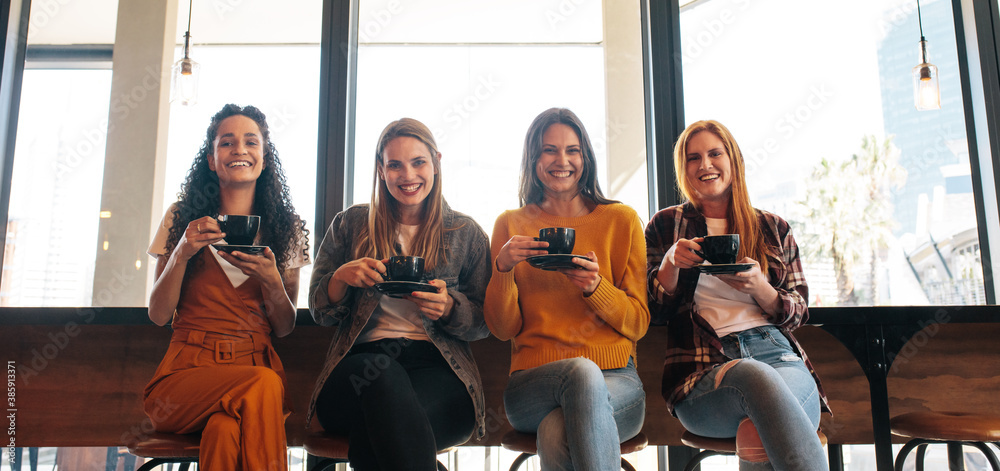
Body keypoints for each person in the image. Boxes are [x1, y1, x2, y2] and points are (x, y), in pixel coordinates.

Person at [307, 118, 491, 471]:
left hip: (438, 370)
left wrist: (450, 308)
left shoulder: (466, 233)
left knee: (384, 429)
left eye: (418, 162)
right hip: (359, 369)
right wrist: (342, 278)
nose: (408, 175)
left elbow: (483, 322)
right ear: (381, 168)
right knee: (384, 378)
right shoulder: (350, 225)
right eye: (394, 164)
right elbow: (320, 310)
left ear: (436, 161)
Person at [645, 120, 830, 470]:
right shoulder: (664, 226)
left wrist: (761, 289)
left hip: (777, 354)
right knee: (752, 376)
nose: (705, 165)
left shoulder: (773, 227)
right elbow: (652, 312)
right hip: (702, 370)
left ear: (734, 160)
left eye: (715, 153)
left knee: (755, 431)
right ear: (682, 169)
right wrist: (670, 264)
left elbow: (799, 311)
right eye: (693, 157)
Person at [143, 104, 310, 471]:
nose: (239, 149)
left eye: (251, 142)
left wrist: (271, 280)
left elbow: (284, 326)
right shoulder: (180, 219)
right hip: (185, 379)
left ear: (264, 160)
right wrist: (182, 253)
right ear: (211, 158)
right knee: (264, 385)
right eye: (227, 142)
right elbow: (158, 315)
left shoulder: (288, 229)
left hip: (253, 365)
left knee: (223, 430)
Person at [484, 108, 649, 470]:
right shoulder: (510, 225)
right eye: (549, 150)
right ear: (533, 158)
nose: (562, 160)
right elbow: (501, 328)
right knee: (579, 372)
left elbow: (638, 323)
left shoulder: (621, 221)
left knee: (557, 431)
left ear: (585, 158)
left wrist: (596, 287)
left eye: (572, 150)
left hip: (616, 382)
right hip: (532, 386)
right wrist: (503, 268)